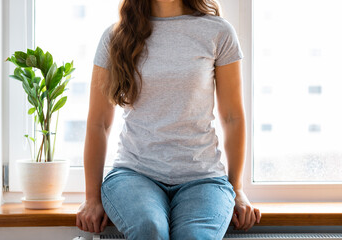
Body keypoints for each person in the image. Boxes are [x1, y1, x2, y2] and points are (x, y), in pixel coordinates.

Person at [76, 0, 262, 239]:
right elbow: (98, 123)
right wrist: (91, 198)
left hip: (203, 179)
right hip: (134, 174)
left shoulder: (218, 32)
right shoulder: (115, 36)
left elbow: (232, 117)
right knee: (149, 228)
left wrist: (237, 188)